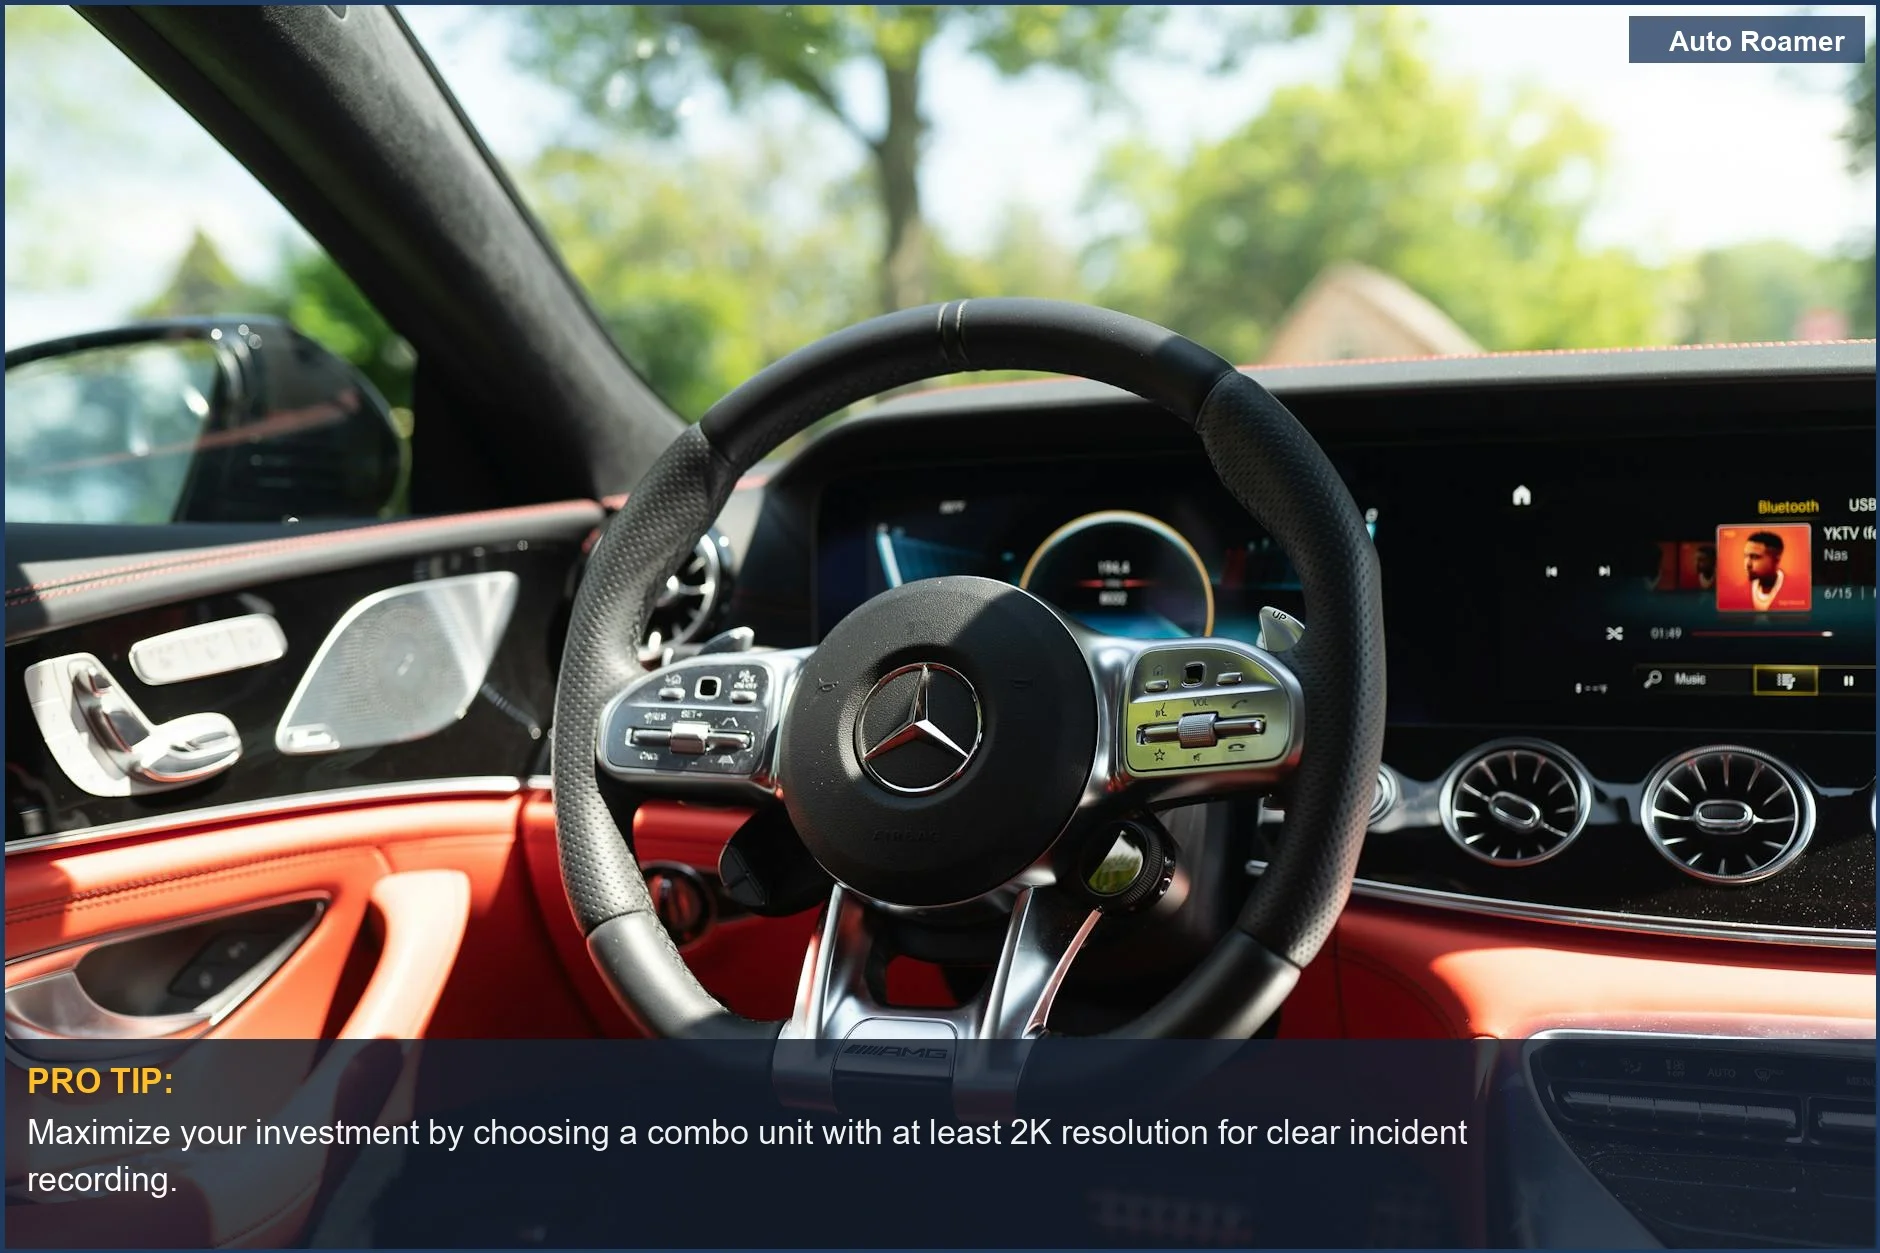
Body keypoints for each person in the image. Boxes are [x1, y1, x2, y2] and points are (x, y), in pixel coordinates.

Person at [1743, 530, 1786, 611]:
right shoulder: (1741, 591)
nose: (1747, 564)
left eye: (1755, 557)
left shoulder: (1797, 590)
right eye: (1745, 556)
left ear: (1776, 560)